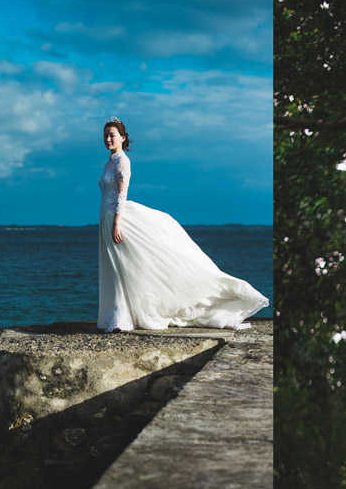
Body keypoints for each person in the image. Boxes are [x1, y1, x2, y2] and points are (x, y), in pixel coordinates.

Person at [96, 117, 269, 332]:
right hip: (106, 217)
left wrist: (116, 223)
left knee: (127, 264)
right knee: (119, 267)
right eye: (105, 135)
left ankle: (124, 317)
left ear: (122, 138)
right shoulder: (109, 162)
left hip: (117, 218)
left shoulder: (122, 161)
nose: (108, 139)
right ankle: (120, 315)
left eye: (112, 135)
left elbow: (122, 193)